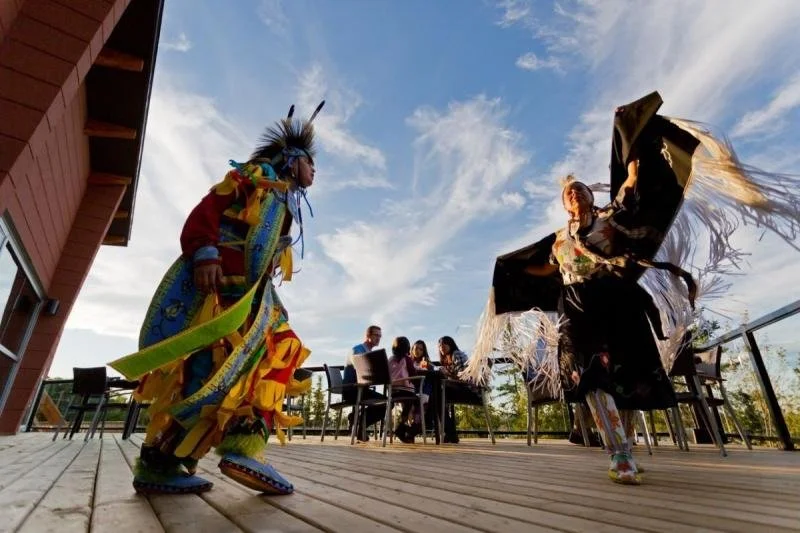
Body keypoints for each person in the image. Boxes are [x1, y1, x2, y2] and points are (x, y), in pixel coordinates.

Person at [109, 102, 325, 496]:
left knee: (263, 359)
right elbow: (206, 212)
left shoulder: (281, 201)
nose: (315, 173)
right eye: (312, 164)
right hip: (222, 295)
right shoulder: (255, 178)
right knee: (217, 371)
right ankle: (190, 458)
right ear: (293, 160)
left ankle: (202, 456)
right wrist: (204, 252)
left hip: (252, 299)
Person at [343, 325, 387, 441]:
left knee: (386, 402)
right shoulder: (358, 350)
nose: (378, 338)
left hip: (362, 390)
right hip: (352, 390)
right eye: (376, 335)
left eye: (380, 336)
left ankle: (356, 421)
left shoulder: (368, 352)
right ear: (368, 336)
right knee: (386, 403)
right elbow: (361, 371)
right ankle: (359, 425)